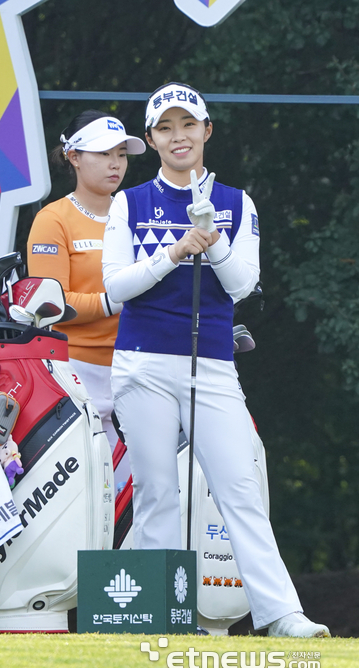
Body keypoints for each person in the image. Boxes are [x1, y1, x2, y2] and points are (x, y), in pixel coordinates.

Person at [102, 82, 330, 637]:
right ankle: (152, 619)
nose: (178, 136)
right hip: (142, 364)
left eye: (188, 125)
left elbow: (242, 283)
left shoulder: (235, 201)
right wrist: (174, 251)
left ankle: (280, 615)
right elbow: (115, 289)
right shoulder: (129, 203)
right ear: (153, 139)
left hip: (212, 367)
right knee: (157, 493)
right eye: (165, 128)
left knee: (239, 490)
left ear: (207, 130)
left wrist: (214, 239)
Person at [27, 111, 145, 485]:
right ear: (73, 157)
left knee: (143, 496)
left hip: (138, 367)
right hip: (75, 374)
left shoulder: (138, 213)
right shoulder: (53, 218)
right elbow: (49, 306)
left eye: (122, 154)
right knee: (96, 496)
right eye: (103, 153)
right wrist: (115, 301)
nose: (115, 163)